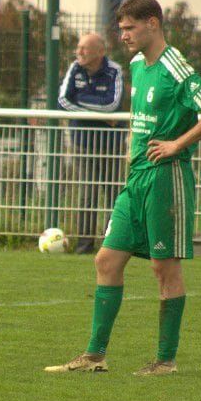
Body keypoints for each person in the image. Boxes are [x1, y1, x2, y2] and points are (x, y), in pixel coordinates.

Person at [45, 0, 201, 376]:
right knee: (106, 260)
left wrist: (178, 143)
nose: (124, 34)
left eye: (130, 27)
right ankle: (95, 355)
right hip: (136, 179)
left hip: (167, 179)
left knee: (165, 270)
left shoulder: (175, 66)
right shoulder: (136, 65)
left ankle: (165, 361)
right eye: (121, 28)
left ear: (153, 23)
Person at [57, 32, 124, 253]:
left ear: (100, 51)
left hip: (111, 145)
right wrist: (96, 111)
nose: (79, 52)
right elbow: (63, 101)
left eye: (84, 48)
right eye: (78, 47)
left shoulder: (114, 70)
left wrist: (82, 101)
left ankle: (111, 245)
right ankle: (84, 246)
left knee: (114, 195)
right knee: (88, 194)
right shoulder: (74, 68)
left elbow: (112, 106)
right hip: (82, 143)